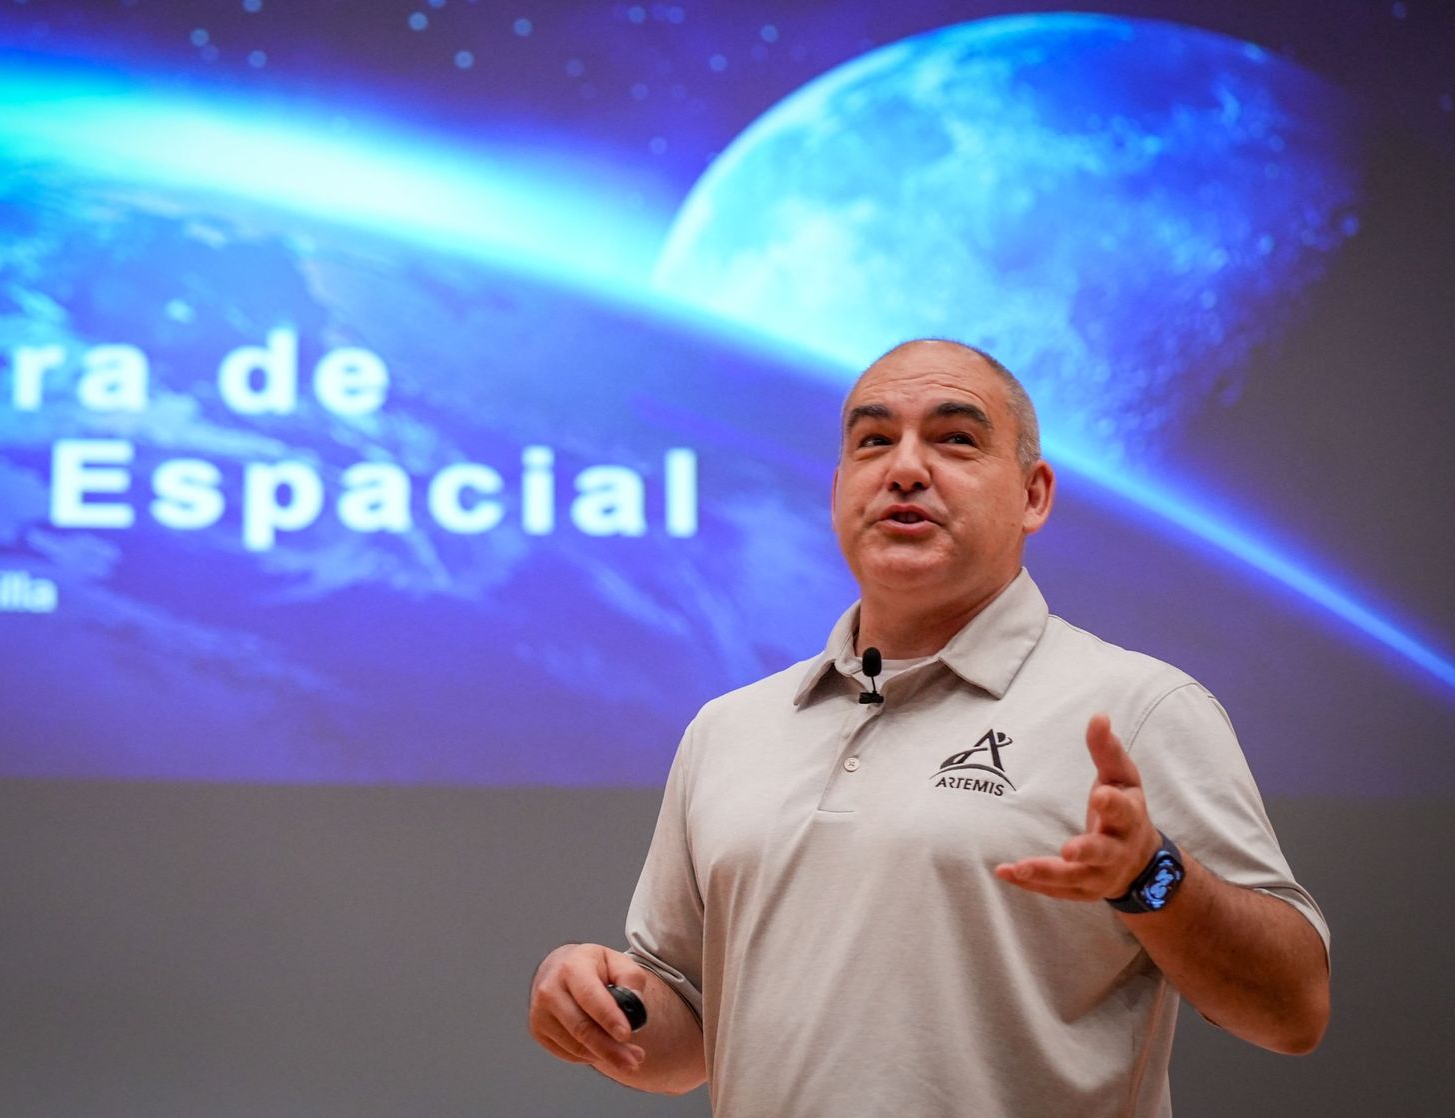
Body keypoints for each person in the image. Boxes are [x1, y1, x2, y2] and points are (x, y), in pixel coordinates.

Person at [527, 339, 1330, 1117]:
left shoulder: (1136, 709)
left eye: (955, 439)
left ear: (1034, 495)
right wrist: (605, 1005)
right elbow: (694, 1040)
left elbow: (1293, 1010)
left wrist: (1152, 877)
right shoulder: (727, 730)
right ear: (840, 488)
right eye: (874, 441)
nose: (906, 468)